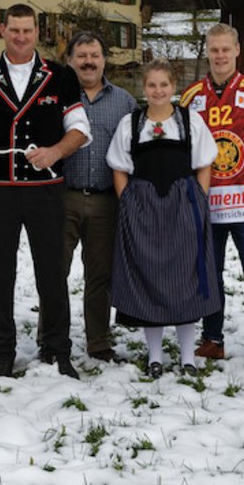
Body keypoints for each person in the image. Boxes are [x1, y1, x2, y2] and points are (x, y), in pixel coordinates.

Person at [0, 4, 91, 378]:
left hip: (45, 191)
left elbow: (80, 129)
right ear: (2, 30)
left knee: (52, 274)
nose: (21, 37)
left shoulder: (60, 77)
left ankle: (57, 350)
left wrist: (55, 151)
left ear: (37, 32)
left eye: (27, 31)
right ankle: (1, 353)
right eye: (14, 30)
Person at [180, 23, 244, 368]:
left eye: (226, 49)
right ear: (207, 52)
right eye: (214, 50)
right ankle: (213, 339)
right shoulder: (191, 97)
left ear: (238, 50)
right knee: (210, 277)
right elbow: (184, 150)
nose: (220, 56)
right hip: (207, 206)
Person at [107, 60, 219, 376]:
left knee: (185, 279)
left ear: (174, 87)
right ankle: (155, 355)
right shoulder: (131, 124)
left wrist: (199, 198)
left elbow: (205, 163)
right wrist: (128, 202)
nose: (158, 91)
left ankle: (187, 356)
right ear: (144, 88)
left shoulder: (189, 120)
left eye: (164, 85)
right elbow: (119, 167)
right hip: (143, 208)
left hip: (183, 205)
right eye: (152, 85)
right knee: (150, 277)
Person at [57, 31, 137, 364]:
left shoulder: (125, 102)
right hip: (63, 198)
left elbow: (135, 149)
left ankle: (99, 343)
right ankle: (52, 340)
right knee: (54, 272)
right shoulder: (57, 95)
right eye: (81, 56)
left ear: (105, 60)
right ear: (70, 60)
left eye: (94, 55)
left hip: (106, 201)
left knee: (100, 276)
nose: (88, 62)